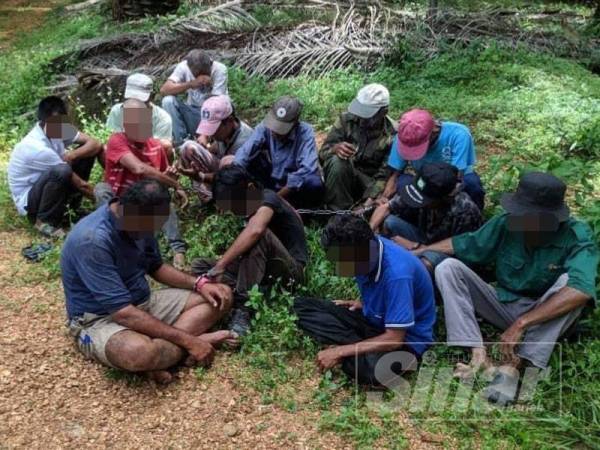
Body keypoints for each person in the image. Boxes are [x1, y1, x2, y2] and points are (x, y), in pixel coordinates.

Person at [417, 172, 599, 405]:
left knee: (570, 287)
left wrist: (522, 324)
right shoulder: (508, 222)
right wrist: (417, 252)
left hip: (544, 316)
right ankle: (477, 353)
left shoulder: (577, 235)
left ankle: (513, 366)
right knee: (448, 268)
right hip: (503, 303)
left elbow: (581, 290)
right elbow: (465, 244)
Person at [62, 179, 237, 384]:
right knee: (138, 353)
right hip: (100, 318)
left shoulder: (141, 222)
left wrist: (200, 284)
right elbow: (123, 314)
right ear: (130, 211)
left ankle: (163, 357)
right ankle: (180, 348)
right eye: (149, 227)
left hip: (142, 303)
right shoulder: (93, 241)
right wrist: (189, 341)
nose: (151, 233)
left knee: (220, 295)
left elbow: (156, 267)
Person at [294, 214, 436, 386]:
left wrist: (340, 352)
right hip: (375, 320)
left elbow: (395, 338)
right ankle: (359, 348)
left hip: (405, 340)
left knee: (374, 371)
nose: (339, 267)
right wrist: (364, 304)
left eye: (342, 261)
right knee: (301, 307)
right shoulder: (369, 250)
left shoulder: (397, 274)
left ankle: (353, 350)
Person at [191, 164, 308, 336]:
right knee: (200, 266)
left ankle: (244, 308)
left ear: (250, 189)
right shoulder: (252, 205)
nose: (233, 211)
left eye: (234, 205)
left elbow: (256, 231)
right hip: (266, 270)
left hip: (292, 273)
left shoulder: (268, 198)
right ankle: (244, 294)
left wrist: (222, 264)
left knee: (259, 237)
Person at [95, 98, 188, 269]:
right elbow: (139, 169)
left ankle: (178, 250)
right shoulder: (117, 140)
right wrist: (176, 185)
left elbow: (159, 181)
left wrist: (169, 179)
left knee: (165, 201)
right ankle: (110, 238)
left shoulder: (156, 147)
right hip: (120, 200)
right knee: (101, 190)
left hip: (143, 201)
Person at [7, 96, 102, 238]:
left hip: (50, 185)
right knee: (62, 170)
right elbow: (80, 184)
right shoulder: (36, 148)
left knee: (84, 152)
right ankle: (44, 222)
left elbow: (95, 144)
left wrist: (72, 155)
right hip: (30, 200)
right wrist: (106, 203)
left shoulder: (61, 129)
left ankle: (72, 209)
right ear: (43, 121)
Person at [370, 162, 482, 271]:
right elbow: (386, 207)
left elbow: (460, 247)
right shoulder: (422, 189)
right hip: (425, 238)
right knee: (389, 222)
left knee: (426, 262)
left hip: (450, 256)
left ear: (443, 198)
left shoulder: (464, 210)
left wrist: (419, 248)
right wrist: (368, 234)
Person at [382, 109, 485, 210]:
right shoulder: (404, 137)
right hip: (423, 179)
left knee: (472, 185)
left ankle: (476, 220)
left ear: (434, 130)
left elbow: (458, 175)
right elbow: (396, 172)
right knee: (402, 183)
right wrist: (389, 188)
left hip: (453, 180)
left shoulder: (459, 134)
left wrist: (434, 197)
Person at [233, 96, 324, 209]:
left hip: (294, 188)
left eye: (281, 129)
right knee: (244, 163)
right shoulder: (264, 127)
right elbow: (245, 153)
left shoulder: (305, 132)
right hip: (272, 180)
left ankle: (306, 212)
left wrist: (274, 199)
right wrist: (232, 179)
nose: (275, 132)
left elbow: (306, 170)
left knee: (313, 182)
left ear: (295, 122)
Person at [320, 84, 396, 210]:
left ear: (384, 112)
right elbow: (322, 154)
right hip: (341, 177)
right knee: (337, 162)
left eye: (368, 115)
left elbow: (384, 175)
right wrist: (334, 149)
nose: (362, 119)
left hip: (369, 185)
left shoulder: (393, 134)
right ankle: (338, 213)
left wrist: (368, 201)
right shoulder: (346, 120)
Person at [178, 95, 253, 202]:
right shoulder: (227, 131)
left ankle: (219, 199)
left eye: (214, 129)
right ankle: (206, 194)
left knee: (226, 161)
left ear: (229, 121)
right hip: (222, 171)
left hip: (240, 181)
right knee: (189, 147)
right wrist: (200, 153)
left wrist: (201, 176)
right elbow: (215, 147)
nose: (211, 134)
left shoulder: (245, 142)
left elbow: (232, 175)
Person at [160, 50, 228, 145]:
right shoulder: (184, 67)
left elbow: (217, 105)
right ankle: (181, 142)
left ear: (210, 63)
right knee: (168, 101)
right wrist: (190, 84)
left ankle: (211, 139)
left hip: (215, 118)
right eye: (197, 72)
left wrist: (205, 134)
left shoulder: (219, 69)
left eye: (204, 72)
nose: (201, 75)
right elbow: (164, 90)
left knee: (221, 111)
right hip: (194, 113)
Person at [106, 73, 173, 152]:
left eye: (140, 100)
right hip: (123, 154)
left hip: (150, 155)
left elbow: (161, 149)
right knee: (105, 150)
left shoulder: (162, 118)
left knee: (166, 146)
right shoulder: (117, 111)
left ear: (151, 97)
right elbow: (112, 139)